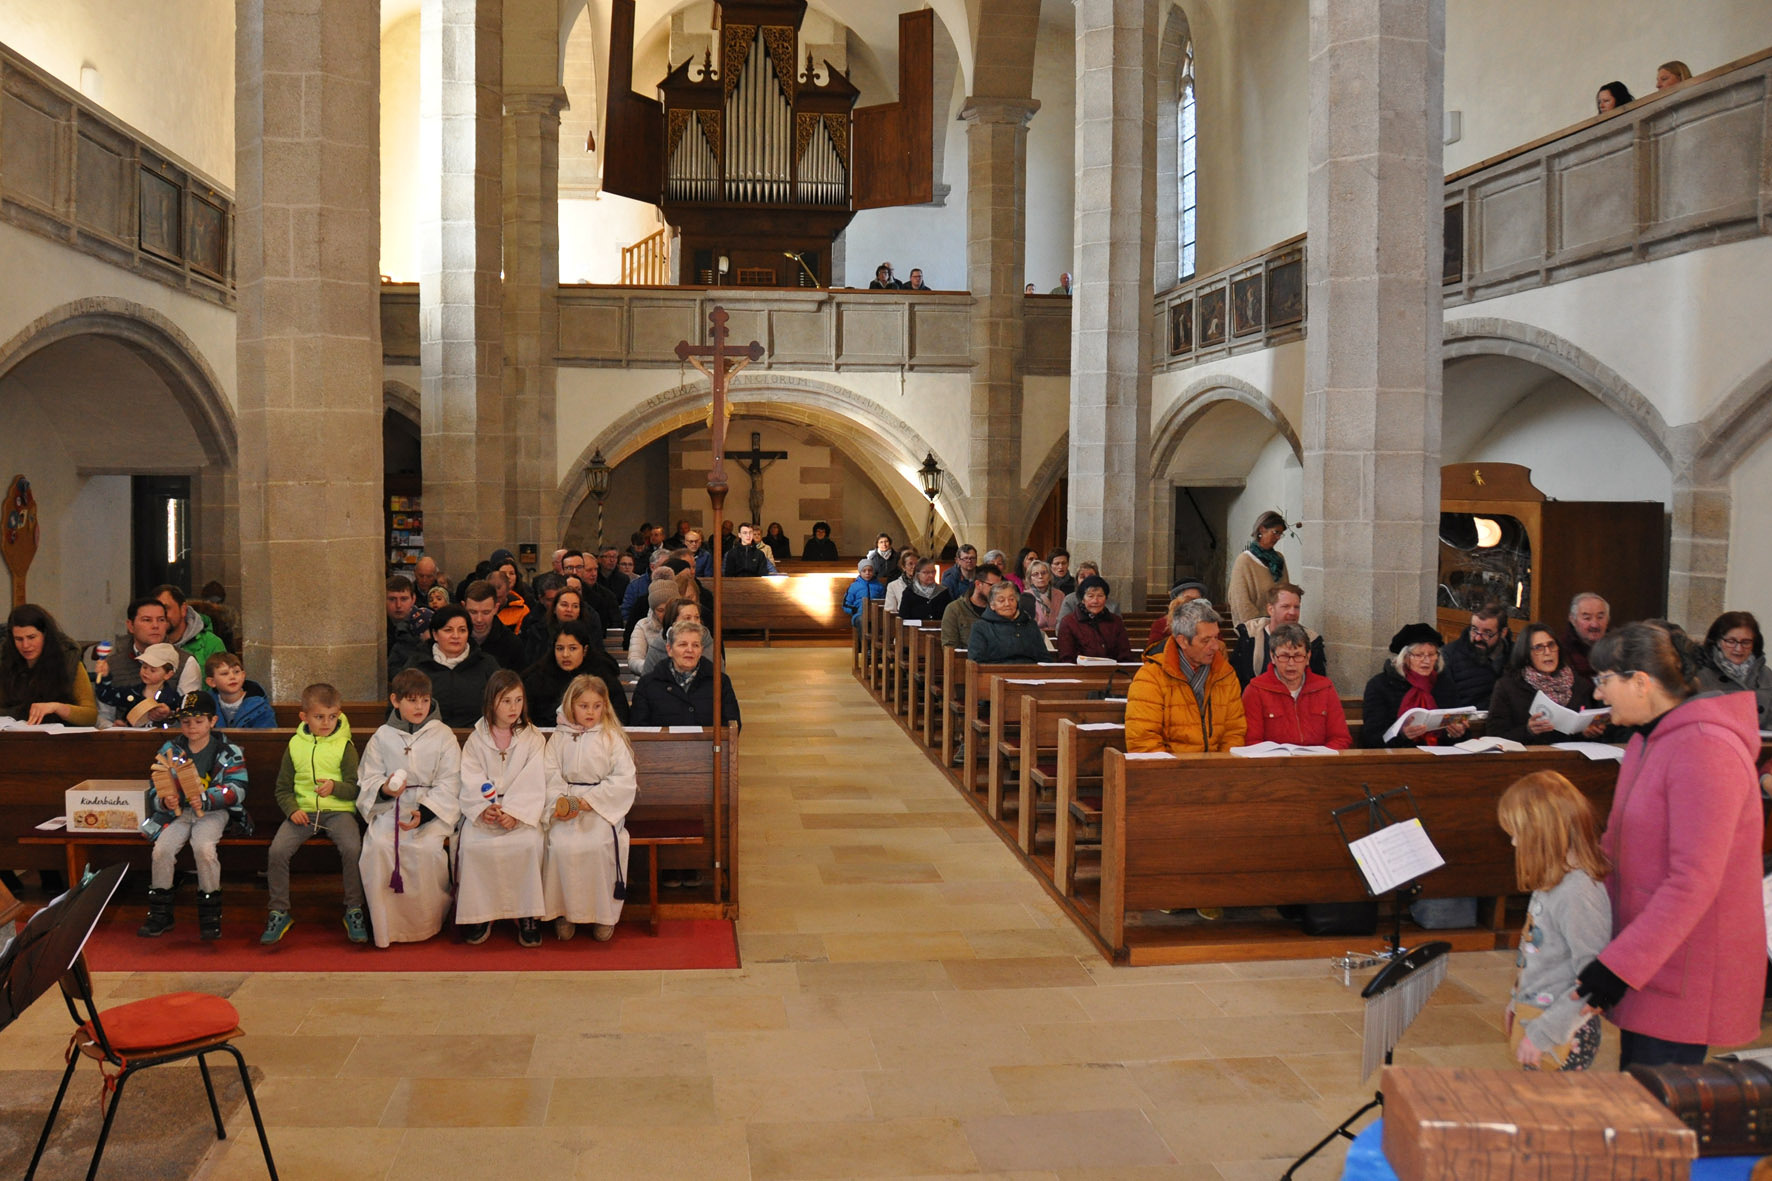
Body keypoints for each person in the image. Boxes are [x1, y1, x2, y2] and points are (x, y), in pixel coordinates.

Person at [1575, 623, 1767, 1068]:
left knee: (1658, 1101)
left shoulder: (1706, 747)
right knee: (1639, 1092)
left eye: (1604, 680)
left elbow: (1693, 882)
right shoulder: (1646, 740)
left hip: (1686, 967)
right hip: (1649, 953)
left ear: (1641, 682)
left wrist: (1619, 965)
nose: (1598, 694)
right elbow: (1614, 845)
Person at [1497, 771, 1612, 1071]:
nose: (1513, 842)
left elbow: (1592, 983)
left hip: (1562, 1033)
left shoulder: (1578, 893)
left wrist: (1544, 1034)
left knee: (1549, 1102)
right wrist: (1517, 1001)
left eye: (1518, 833)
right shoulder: (1552, 880)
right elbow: (1537, 956)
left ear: (1544, 834)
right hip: (1537, 1020)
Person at [355, 668, 461, 948]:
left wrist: (424, 814)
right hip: (391, 808)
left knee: (425, 850)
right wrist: (385, 789)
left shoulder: (443, 735)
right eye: (412, 700)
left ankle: (427, 923)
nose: (419, 707)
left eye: (424, 700)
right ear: (395, 700)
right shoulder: (382, 736)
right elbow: (368, 777)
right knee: (379, 846)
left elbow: (451, 781)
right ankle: (384, 925)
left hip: (430, 810)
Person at [137, 690, 249, 939]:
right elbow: (156, 785)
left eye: (199, 721)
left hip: (214, 813)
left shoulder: (228, 751)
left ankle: (210, 914)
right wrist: (165, 800)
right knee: (161, 850)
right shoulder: (170, 749)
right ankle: (160, 914)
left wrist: (208, 798)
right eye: (186, 721)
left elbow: (238, 789)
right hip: (177, 814)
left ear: (212, 721)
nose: (192, 727)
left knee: (204, 848)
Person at [261, 683, 365, 945]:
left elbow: (355, 788)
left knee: (353, 848)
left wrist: (335, 788)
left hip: (338, 812)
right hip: (303, 813)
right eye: (319, 717)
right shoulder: (295, 745)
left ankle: (354, 908)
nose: (327, 723)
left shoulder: (345, 746)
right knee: (277, 851)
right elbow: (282, 789)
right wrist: (292, 809)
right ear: (304, 717)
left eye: (332, 716)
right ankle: (279, 910)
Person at [456, 670, 549, 947]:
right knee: (472, 846)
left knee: (529, 845)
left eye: (518, 700)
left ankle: (528, 913)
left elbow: (534, 779)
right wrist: (483, 808)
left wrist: (516, 813)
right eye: (506, 701)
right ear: (491, 701)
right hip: (487, 812)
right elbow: (471, 777)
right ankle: (480, 914)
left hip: (520, 812)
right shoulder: (477, 739)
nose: (513, 708)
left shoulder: (533, 738)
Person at [543, 675, 636, 942]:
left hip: (601, 807)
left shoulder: (611, 736)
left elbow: (624, 778)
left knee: (596, 845)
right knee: (560, 845)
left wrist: (590, 801)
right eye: (584, 706)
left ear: (604, 706)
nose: (590, 712)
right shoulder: (560, 737)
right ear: (571, 705)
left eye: (596, 706)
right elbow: (549, 773)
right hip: (566, 804)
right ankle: (564, 912)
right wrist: (563, 802)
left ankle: (602, 915)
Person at [1125, 600, 1246, 755]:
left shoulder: (1225, 675)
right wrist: (1179, 769)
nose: (1215, 646)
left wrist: (1221, 764)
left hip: (1218, 765)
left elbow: (1234, 732)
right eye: (1206, 640)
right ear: (1182, 641)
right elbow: (1143, 741)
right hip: (1169, 767)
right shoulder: (1150, 677)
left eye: (1216, 637)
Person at [1241, 623, 1351, 749]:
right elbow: (1252, 741)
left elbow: (1340, 737)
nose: (1291, 663)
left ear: (1308, 657)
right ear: (1272, 656)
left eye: (1298, 656)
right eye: (1284, 656)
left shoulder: (1325, 688)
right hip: (1273, 760)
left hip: (1319, 760)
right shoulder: (1256, 690)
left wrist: (1320, 758)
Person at [1360, 624, 1471, 748]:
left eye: (1431, 655)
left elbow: (1462, 733)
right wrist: (1402, 735)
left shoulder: (1444, 684)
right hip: (1397, 756)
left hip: (1439, 755)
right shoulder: (1380, 685)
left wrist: (1456, 734)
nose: (1427, 661)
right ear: (1405, 657)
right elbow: (1372, 738)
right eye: (1419, 655)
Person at [1487, 623, 1600, 745]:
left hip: (1570, 755)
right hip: (1529, 755)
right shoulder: (1507, 687)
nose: (1547, 652)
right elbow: (1495, 737)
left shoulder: (1578, 684)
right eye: (1538, 648)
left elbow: (1580, 733)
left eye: (1551, 645)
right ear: (1526, 654)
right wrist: (1528, 730)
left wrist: (1586, 732)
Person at [1, 603, 98, 726]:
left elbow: (90, 716)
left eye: (31, 637)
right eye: (19, 639)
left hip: (60, 735)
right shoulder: (5, 662)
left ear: (45, 635)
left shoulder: (68, 661)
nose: (25, 645)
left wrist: (57, 708)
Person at [630, 623, 742, 728]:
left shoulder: (719, 682)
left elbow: (732, 724)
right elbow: (638, 727)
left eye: (695, 645)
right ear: (669, 650)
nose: (690, 650)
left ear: (701, 651)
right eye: (683, 644)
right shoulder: (648, 684)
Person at [413, 604, 501, 727]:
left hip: (477, 735)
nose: (456, 636)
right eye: (448, 630)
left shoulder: (486, 664)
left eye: (462, 630)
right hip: (426, 735)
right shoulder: (418, 665)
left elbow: (503, 702)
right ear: (435, 634)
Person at [528, 617, 629, 724]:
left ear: (585, 650)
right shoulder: (538, 679)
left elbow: (620, 717)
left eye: (573, 648)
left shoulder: (603, 677)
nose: (565, 654)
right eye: (560, 648)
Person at [1228, 583, 1326, 688]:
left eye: (1296, 607)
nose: (1293, 612)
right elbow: (1237, 680)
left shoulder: (1311, 641)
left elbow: (1318, 684)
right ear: (1270, 609)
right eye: (1286, 606)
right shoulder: (1250, 637)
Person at [107, 595, 201, 699]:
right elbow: (105, 708)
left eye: (161, 620)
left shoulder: (185, 662)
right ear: (130, 626)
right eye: (147, 620)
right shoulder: (113, 664)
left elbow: (189, 706)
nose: (155, 626)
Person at [1696, 611, 1772, 726]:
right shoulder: (1700, 674)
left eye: (1746, 642)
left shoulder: (1766, 674)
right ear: (1718, 641)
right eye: (1731, 641)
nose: (1739, 649)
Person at [1440, 603, 1513, 708]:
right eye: (1474, 630)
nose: (1478, 638)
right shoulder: (1449, 655)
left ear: (1503, 633)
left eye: (1487, 633)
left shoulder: (1516, 656)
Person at [96, 643, 186, 727]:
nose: (146, 672)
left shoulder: (172, 698)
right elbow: (107, 696)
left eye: (153, 670)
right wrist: (104, 677)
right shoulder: (132, 693)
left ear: (168, 675)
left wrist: (169, 715)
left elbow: (183, 719)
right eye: (144, 667)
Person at [1228, 510, 1289, 625]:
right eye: (1276, 532)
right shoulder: (1244, 560)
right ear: (1261, 529)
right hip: (1254, 627)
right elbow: (1240, 601)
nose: (1278, 537)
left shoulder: (1279, 559)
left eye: (1280, 534)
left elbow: (1286, 592)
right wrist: (1261, 627)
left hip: (1279, 627)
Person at [1056, 575, 1134, 662]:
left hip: (1112, 669)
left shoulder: (1116, 621)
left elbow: (1125, 655)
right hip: (1079, 669)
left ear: (1106, 599)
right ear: (1083, 599)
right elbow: (1066, 657)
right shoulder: (1069, 622)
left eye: (1100, 596)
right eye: (1090, 596)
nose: (1095, 601)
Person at [969, 581, 1050, 664]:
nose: (1007, 604)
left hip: (1030, 670)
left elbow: (1044, 659)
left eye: (1011, 599)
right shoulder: (981, 627)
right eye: (1001, 600)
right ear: (992, 605)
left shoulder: (1030, 625)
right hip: (995, 670)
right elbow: (976, 661)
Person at [152, 583, 227, 669]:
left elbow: (223, 675)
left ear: (183, 609)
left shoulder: (211, 644)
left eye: (166, 608)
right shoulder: (148, 641)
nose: (161, 615)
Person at [462, 580, 526, 669]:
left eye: (486, 612)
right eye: (473, 612)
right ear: (464, 607)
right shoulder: (453, 639)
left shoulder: (512, 644)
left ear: (496, 608)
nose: (479, 619)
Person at [204, 651, 275, 729]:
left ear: (243, 675)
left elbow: (266, 734)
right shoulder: (205, 705)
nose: (232, 677)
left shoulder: (260, 707)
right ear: (212, 682)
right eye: (224, 673)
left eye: (236, 672)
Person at [941, 563, 1002, 650]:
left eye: (999, 587)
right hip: (965, 657)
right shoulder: (955, 609)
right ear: (978, 584)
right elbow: (949, 646)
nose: (997, 591)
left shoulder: (1000, 609)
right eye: (992, 586)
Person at [628, 581, 680, 674]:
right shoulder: (642, 625)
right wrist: (655, 668)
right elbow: (634, 660)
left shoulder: (688, 626)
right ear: (653, 610)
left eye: (669, 609)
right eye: (660, 610)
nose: (666, 614)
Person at [1559, 592, 1609, 677]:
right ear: (1572, 620)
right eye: (1587, 618)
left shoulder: (1617, 647)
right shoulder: (1561, 649)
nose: (1595, 624)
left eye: (1600, 617)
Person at [387, 574, 427, 675]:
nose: (398, 605)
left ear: (413, 599)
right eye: (392, 599)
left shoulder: (424, 621)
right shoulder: (379, 629)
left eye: (404, 599)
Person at [1149, 580, 1208, 647]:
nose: (1193, 603)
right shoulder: (1161, 624)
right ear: (1177, 602)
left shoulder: (1208, 622)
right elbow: (1153, 650)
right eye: (1188, 599)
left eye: (1197, 600)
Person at [894, 559, 952, 624]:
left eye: (933, 572)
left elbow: (949, 616)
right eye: (926, 572)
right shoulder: (909, 592)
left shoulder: (943, 592)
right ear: (917, 574)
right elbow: (903, 617)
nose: (931, 575)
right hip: (915, 629)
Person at [842, 560, 885, 635]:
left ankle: (879, 641)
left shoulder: (879, 586)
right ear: (860, 572)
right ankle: (864, 642)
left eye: (870, 570)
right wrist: (855, 610)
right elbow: (845, 604)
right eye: (864, 571)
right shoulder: (853, 587)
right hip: (859, 615)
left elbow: (884, 601)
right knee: (862, 621)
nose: (867, 573)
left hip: (877, 615)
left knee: (882, 622)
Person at [1021, 560, 1065, 629]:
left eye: (1044, 573)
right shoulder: (1025, 596)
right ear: (1030, 579)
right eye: (1036, 574)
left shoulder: (1060, 595)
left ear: (1049, 576)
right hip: (1035, 633)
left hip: (1057, 633)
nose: (1040, 576)